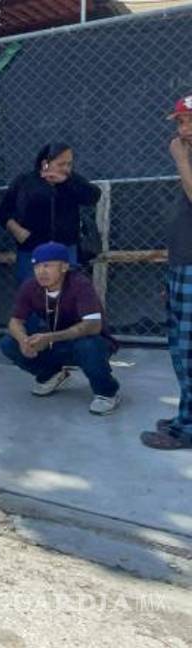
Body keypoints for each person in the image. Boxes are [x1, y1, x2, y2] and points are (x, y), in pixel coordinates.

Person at [0, 242, 120, 415]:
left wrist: (49, 338)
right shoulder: (31, 286)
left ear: (64, 267)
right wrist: (23, 340)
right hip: (56, 342)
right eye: (37, 266)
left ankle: (107, 393)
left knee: (88, 346)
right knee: (9, 343)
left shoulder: (80, 284)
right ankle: (52, 375)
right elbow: (15, 321)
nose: (41, 272)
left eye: (47, 265)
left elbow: (93, 326)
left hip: (90, 342)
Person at [144, 94, 192, 450]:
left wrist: (179, 158)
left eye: (189, 122)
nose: (182, 130)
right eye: (180, 122)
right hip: (183, 266)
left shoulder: (185, 159)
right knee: (181, 350)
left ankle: (188, 430)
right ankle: (184, 418)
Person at [0, 143, 102, 282]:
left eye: (69, 164)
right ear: (45, 163)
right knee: (31, 289)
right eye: (61, 164)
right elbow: (1, 211)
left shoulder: (71, 181)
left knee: (65, 290)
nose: (66, 168)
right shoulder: (26, 182)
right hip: (32, 249)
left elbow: (93, 196)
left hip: (65, 248)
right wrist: (16, 230)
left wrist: (68, 181)